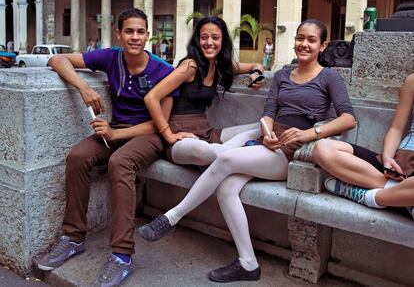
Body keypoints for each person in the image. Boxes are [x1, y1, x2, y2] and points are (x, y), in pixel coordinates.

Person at [138, 18, 356, 282]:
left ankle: (172, 217)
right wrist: (267, 132)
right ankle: (248, 263)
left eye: (311, 40)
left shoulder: (329, 77)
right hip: (268, 144)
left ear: (323, 45)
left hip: (294, 151)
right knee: (226, 188)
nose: (304, 44)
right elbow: (267, 114)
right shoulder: (283, 76)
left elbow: (348, 118)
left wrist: (310, 133)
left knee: (225, 157)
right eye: (300, 38)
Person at [37, 8, 177, 287]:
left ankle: (122, 257)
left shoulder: (164, 70)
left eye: (140, 32)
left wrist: (114, 134)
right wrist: (83, 87)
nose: (134, 37)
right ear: (119, 34)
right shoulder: (111, 57)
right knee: (77, 156)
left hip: (148, 135)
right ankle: (73, 238)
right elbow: (56, 59)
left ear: (148, 35)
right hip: (117, 130)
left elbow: (159, 124)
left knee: (120, 162)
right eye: (129, 31)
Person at [143, 16, 266, 167]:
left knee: (261, 127)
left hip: (207, 133)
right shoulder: (190, 66)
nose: (209, 43)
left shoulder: (220, 67)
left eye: (215, 37)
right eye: (204, 37)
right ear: (197, 41)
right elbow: (151, 97)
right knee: (204, 152)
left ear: (223, 41)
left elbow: (256, 64)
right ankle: (237, 154)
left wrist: (256, 74)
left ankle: (227, 154)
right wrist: (168, 135)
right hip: (182, 139)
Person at [313, 74, 414, 218]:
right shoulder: (412, 81)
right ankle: (402, 198)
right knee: (323, 148)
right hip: (403, 160)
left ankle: (370, 197)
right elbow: (396, 128)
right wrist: (387, 158)